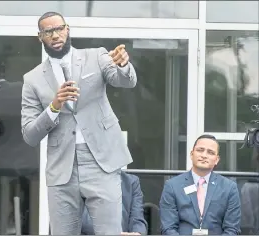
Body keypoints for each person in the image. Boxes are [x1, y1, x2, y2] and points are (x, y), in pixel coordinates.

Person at [21, 11, 137, 235]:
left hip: (101, 160)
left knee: (110, 232)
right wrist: (54, 106)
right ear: (40, 37)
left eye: (59, 29)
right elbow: (29, 135)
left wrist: (123, 65)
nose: (55, 35)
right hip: (62, 167)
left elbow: (124, 81)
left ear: (68, 29)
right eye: (48, 31)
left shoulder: (96, 56)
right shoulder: (32, 79)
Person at [159, 134, 241, 235]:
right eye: (200, 150)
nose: (204, 155)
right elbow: (168, 227)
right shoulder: (172, 186)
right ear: (191, 154)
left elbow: (232, 229)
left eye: (210, 152)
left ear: (216, 160)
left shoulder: (229, 188)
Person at [81, 171, 148, 235]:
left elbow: (137, 219)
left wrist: (138, 233)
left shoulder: (131, 182)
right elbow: (80, 221)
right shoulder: (81, 180)